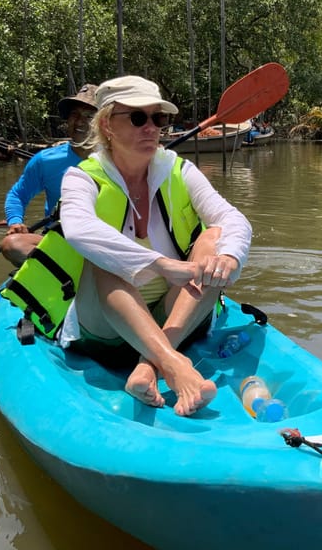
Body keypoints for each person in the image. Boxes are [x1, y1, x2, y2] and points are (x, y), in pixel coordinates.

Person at [57, 75, 252, 417]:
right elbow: (77, 229)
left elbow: (232, 219)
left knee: (213, 238)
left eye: (157, 118)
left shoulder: (180, 170)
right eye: (137, 117)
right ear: (106, 125)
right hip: (104, 330)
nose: (150, 127)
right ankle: (173, 367)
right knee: (104, 258)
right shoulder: (81, 177)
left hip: (172, 321)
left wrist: (232, 256)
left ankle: (149, 365)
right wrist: (163, 265)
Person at [0, 84, 98, 266]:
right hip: (60, 241)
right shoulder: (45, 160)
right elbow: (17, 195)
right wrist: (15, 222)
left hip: (104, 243)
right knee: (11, 245)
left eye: (89, 116)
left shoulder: (119, 159)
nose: (79, 122)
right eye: (74, 115)